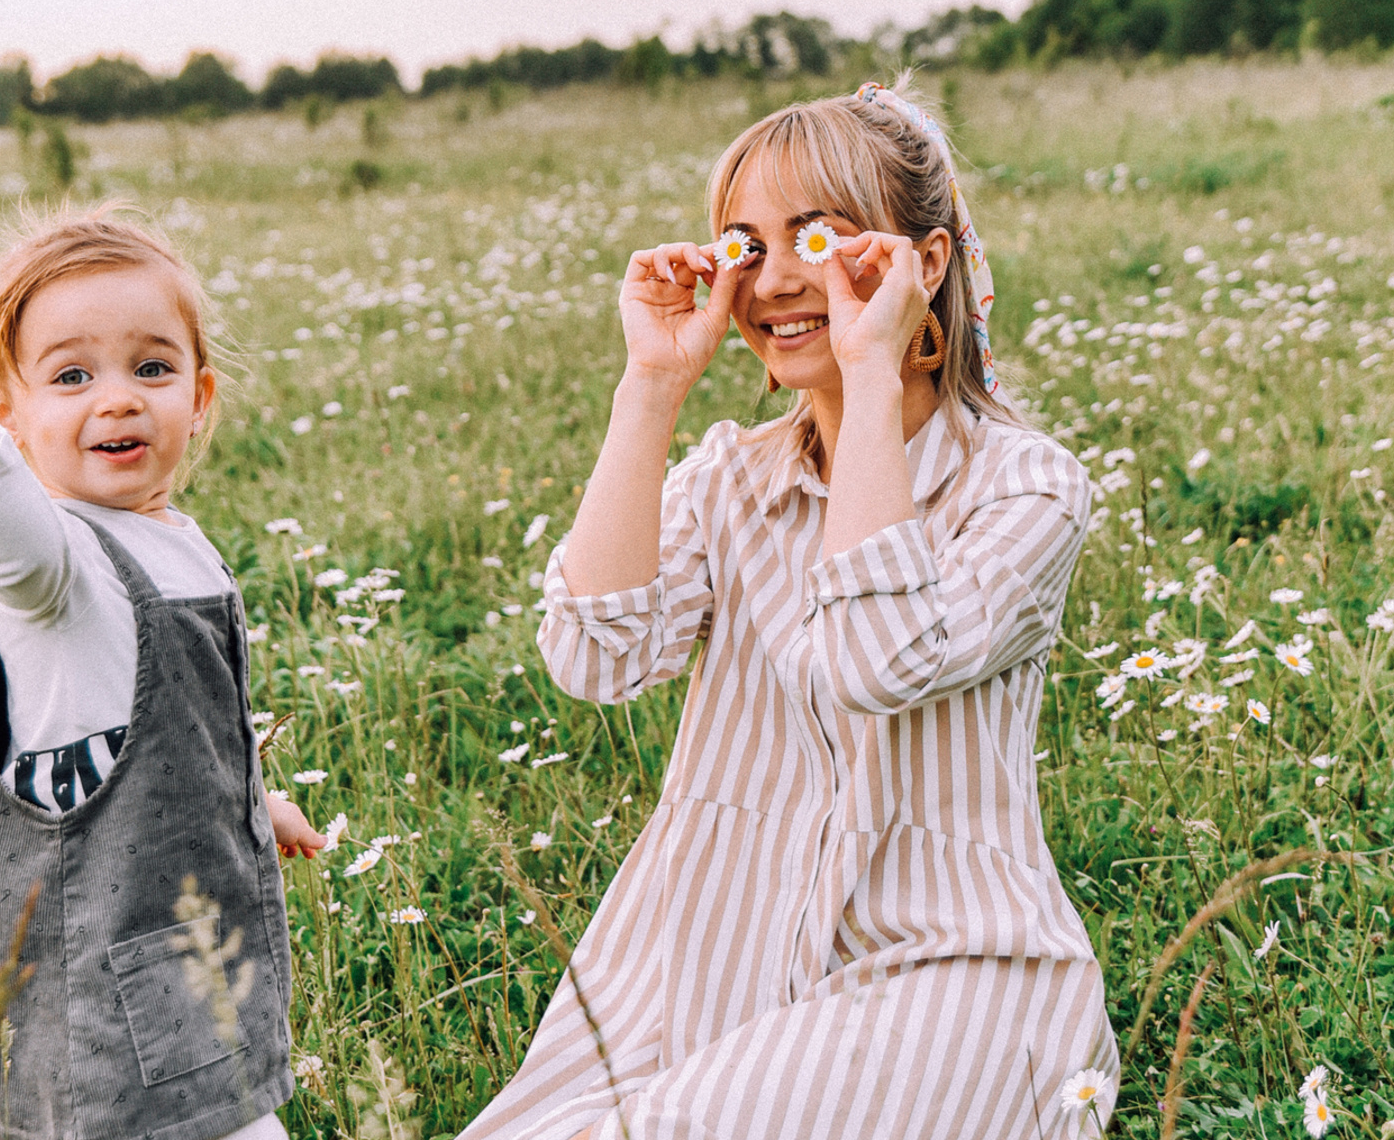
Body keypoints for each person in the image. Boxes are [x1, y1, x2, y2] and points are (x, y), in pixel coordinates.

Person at [464, 79, 1115, 1140]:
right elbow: (597, 656)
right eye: (741, 245)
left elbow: (873, 656)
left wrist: (866, 371)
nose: (771, 281)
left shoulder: (1025, 488)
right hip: (708, 967)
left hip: (953, 974)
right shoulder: (730, 484)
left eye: (817, 239)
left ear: (927, 264)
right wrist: (652, 386)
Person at [0, 206, 323, 1140]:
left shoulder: (174, 541)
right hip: (103, 1012)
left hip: (189, 970)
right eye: (71, 375)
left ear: (200, 394)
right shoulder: (54, 573)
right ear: (3, 412)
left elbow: (168, 726)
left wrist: (249, 798)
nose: (119, 397)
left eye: (152, 367)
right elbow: (5, 538)